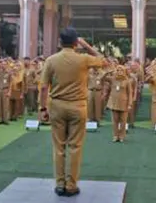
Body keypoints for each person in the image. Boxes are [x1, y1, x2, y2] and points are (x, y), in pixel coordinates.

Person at [39, 28, 106, 198]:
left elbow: (44, 86)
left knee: (59, 147)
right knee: (75, 147)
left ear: (60, 42)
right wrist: (86, 45)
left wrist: (42, 108)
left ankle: (60, 184)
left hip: (57, 106)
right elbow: (103, 60)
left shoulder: (51, 60)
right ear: (76, 43)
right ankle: (71, 185)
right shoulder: (83, 59)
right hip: (78, 107)